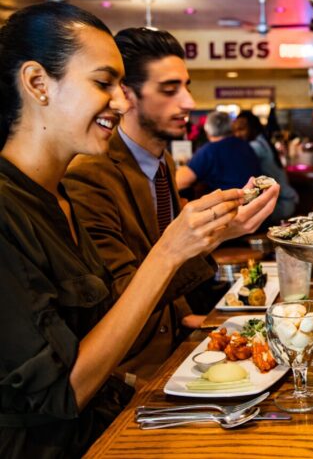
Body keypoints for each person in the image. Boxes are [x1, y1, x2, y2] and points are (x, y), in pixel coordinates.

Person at [0, 2, 278, 458]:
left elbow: (100, 316)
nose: (120, 101)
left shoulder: (55, 196)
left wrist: (215, 232)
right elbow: (59, 391)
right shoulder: (13, 207)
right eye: (103, 83)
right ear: (36, 83)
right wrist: (169, 252)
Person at [63, 28, 276, 386]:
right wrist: (215, 236)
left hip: (176, 348)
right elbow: (120, 298)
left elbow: (160, 261)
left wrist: (186, 319)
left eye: (186, 86)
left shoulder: (162, 164)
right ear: (126, 95)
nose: (189, 102)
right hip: (127, 374)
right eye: (169, 89)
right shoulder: (89, 175)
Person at [232, 110, 298, 224]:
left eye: (241, 129)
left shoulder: (255, 146)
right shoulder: (262, 141)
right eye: (235, 130)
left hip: (282, 203)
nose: (238, 134)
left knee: (236, 219)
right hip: (287, 199)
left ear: (252, 127)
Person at [176, 111, 261, 192]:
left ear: (207, 130)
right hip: (255, 200)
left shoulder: (209, 150)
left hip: (233, 203)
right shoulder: (245, 145)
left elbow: (179, 182)